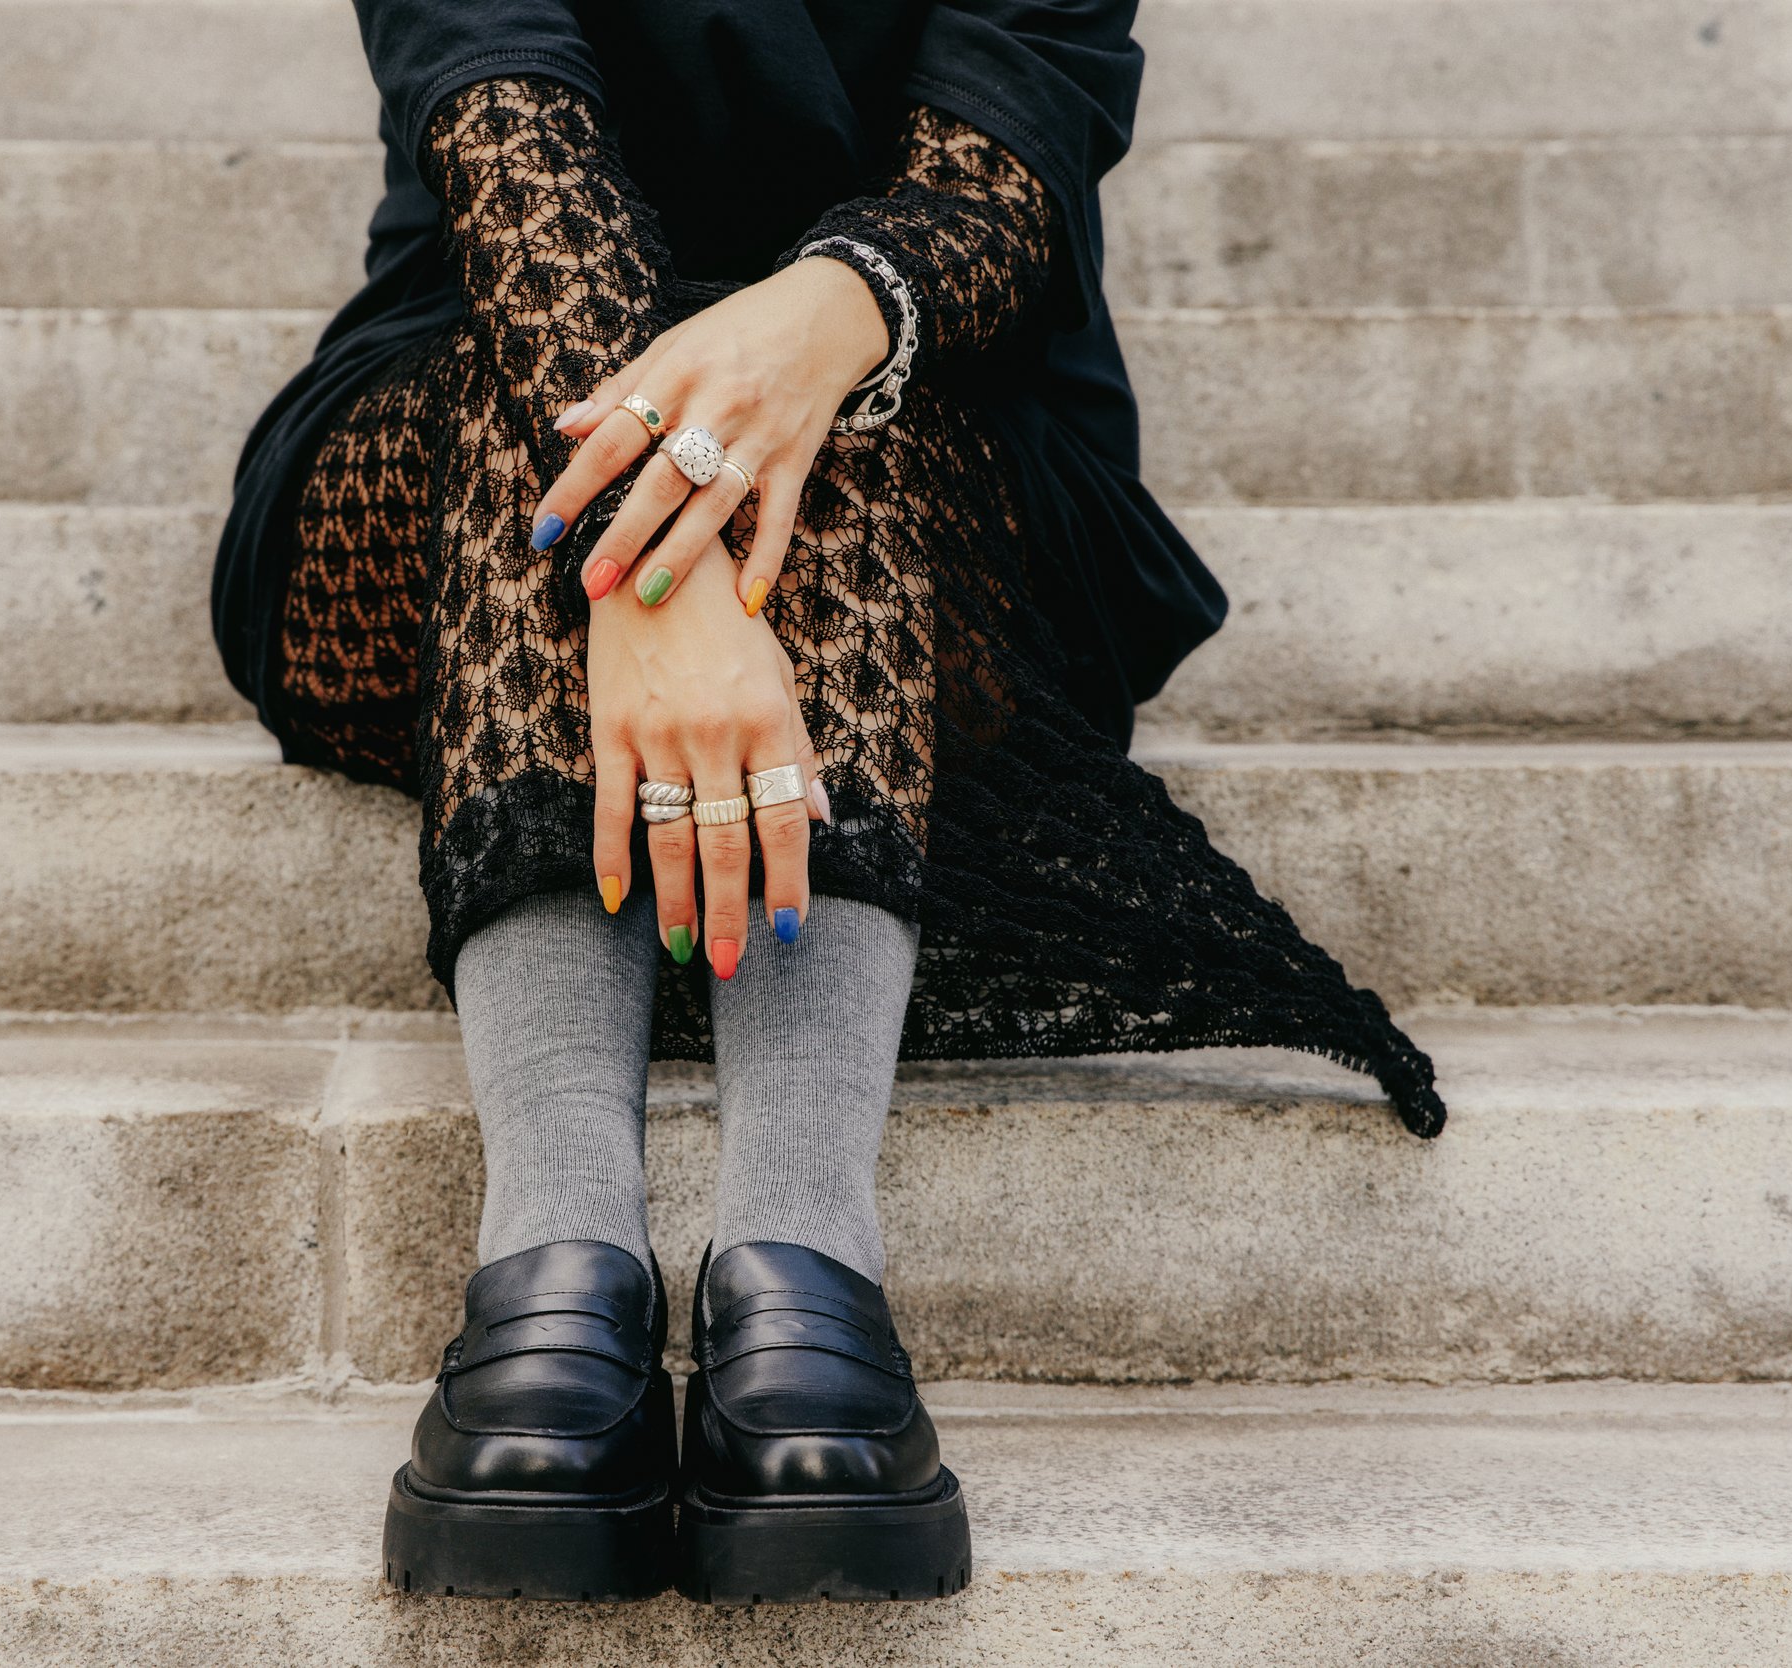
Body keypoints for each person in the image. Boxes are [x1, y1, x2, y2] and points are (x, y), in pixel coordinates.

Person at [212, 0, 1445, 1607]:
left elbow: (1004, 166)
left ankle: (766, 1260)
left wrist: (818, 324)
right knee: (568, 419)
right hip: (473, 408)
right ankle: (588, 1250)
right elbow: (499, 110)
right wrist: (655, 571)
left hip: (940, 438)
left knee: (817, 425)